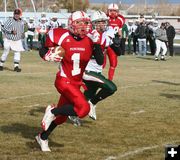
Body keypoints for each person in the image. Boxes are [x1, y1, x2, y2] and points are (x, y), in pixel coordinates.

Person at [35, 11, 104, 152]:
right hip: (63, 80)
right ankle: (52, 110)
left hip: (76, 83)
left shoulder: (91, 39)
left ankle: (42, 137)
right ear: (71, 24)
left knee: (60, 119)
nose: (83, 26)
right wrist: (46, 56)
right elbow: (43, 49)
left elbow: (100, 61)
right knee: (84, 109)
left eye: (85, 23)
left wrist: (96, 43)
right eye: (79, 23)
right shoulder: (60, 35)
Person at [69, 11, 118, 124]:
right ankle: (93, 103)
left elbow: (118, 52)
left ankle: (72, 114)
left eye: (104, 22)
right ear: (94, 23)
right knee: (111, 88)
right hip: (87, 71)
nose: (103, 24)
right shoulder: (90, 35)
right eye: (100, 22)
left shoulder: (104, 35)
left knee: (85, 98)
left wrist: (116, 43)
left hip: (96, 71)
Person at [106, 3, 125, 80]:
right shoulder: (104, 18)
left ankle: (110, 80)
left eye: (115, 11)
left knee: (113, 63)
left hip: (113, 44)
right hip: (104, 43)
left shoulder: (120, 19)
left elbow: (120, 32)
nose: (113, 12)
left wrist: (119, 39)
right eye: (111, 10)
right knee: (100, 63)